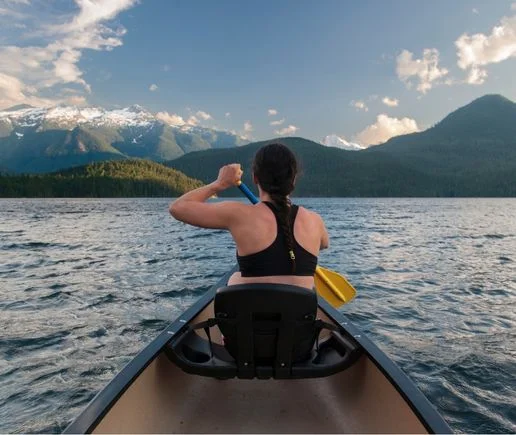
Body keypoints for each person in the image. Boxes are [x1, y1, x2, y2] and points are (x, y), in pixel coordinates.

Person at [169, 143, 329, 289]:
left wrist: (220, 184)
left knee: (234, 278)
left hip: (251, 318)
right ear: (293, 179)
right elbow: (323, 245)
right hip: (299, 318)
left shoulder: (239, 214)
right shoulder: (315, 220)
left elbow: (178, 207)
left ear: (255, 178)